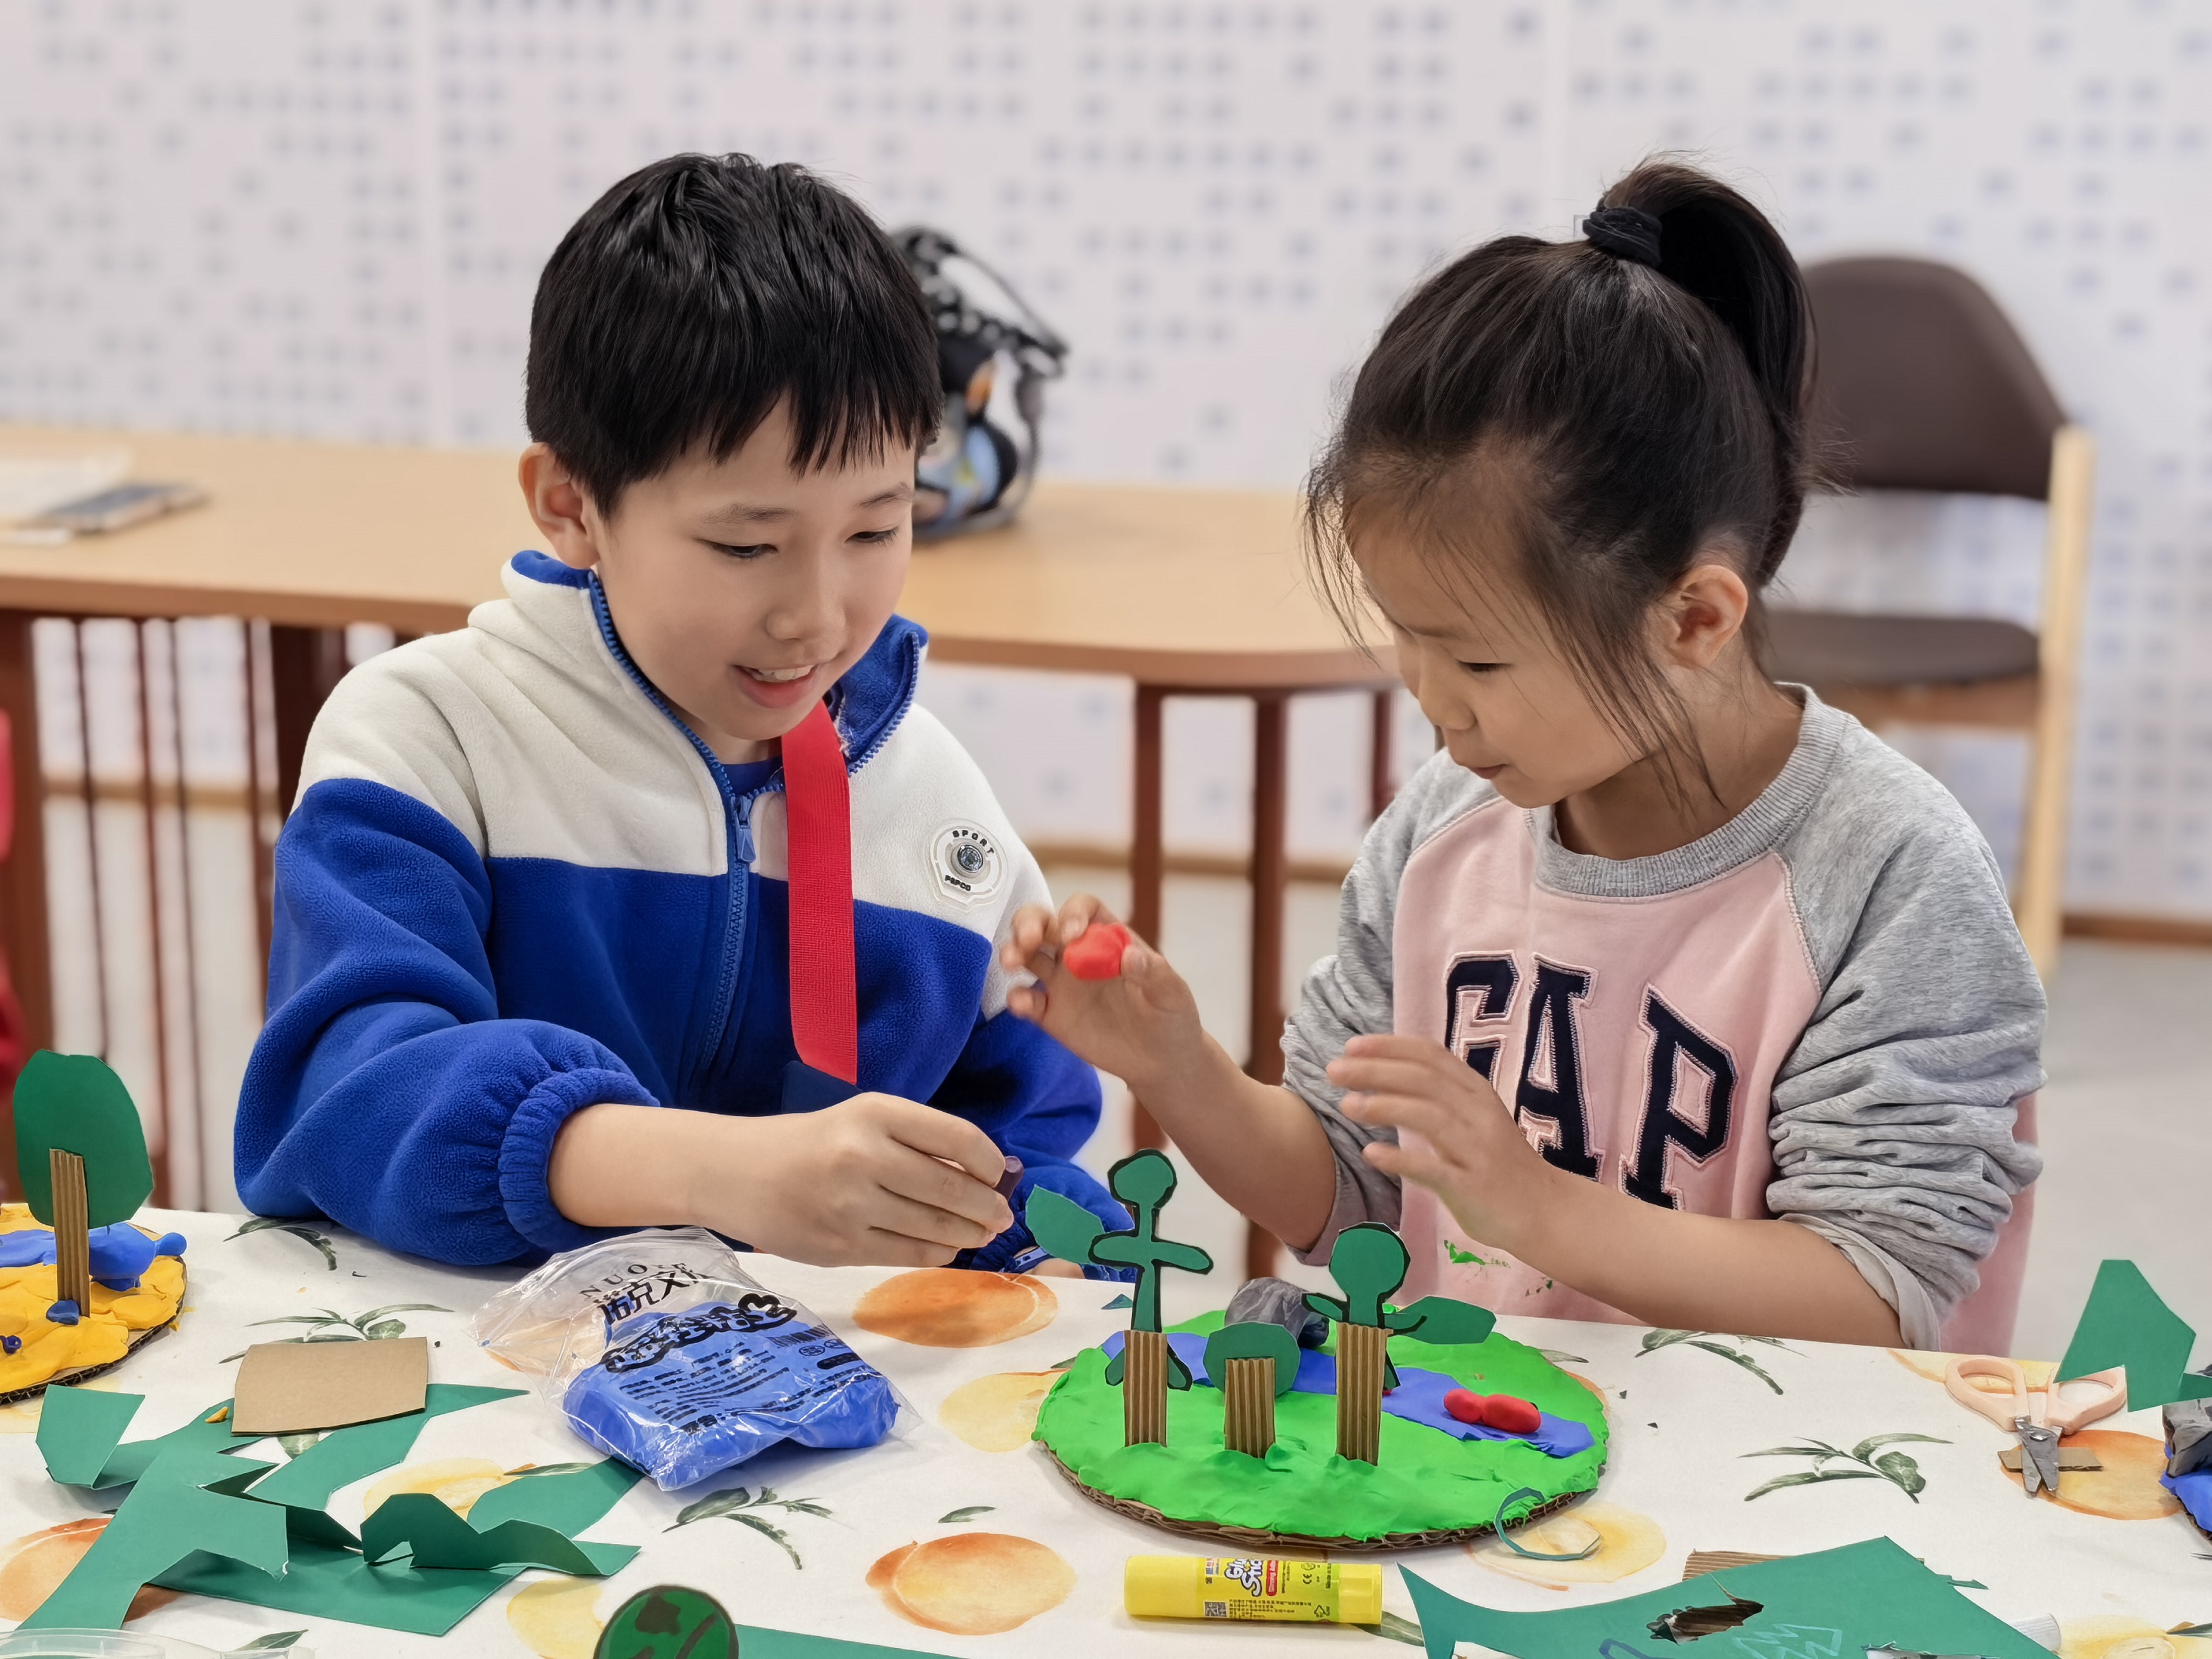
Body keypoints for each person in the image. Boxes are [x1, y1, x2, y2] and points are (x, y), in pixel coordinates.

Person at [1003, 159, 2045, 1348]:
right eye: (1406, 638)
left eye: (1481, 661)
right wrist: (1179, 1066)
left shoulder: (1892, 873)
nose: (1434, 703)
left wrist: (1539, 1207)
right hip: (1484, 1442)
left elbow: (1883, 1296)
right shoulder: (1446, 829)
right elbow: (1356, 1197)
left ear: (1694, 619)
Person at [236, 154, 1122, 1272]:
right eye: (746, 545)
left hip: (829, 1383)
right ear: (571, 504)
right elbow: (348, 1094)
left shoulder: (932, 801)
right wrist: (715, 1173)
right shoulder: (427, 738)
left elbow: (1020, 1146)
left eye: (875, 529)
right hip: (475, 1367)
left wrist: (1039, 1250)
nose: (816, 616)